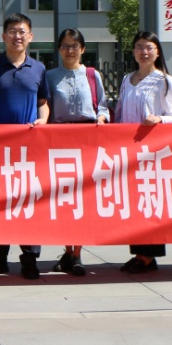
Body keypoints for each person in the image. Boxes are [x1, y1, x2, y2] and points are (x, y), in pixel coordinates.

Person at [0, 13, 52, 280]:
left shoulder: (38, 69)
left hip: (29, 149)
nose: (17, 36)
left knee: (29, 204)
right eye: (12, 31)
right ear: (4, 36)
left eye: (22, 32)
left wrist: (43, 121)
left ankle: (29, 258)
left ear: (30, 36)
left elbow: (43, 103)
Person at [43, 28, 109, 277]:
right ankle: (67, 250)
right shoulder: (50, 76)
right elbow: (45, 107)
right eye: (65, 46)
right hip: (59, 141)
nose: (69, 50)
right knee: (63, 199)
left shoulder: (92, 75)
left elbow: (103, 105)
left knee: (82, 199)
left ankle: (77, 253)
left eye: (74, 46)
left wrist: (102, 118)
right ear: (59, 49)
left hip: (86, 141)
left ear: (82, 49)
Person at [112, 30, 172, 274]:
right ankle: (138, 253)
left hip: (153, 152)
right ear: (133, 52)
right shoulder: (126, 79)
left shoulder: (164, 81)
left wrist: (159, 119)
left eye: (149, 47)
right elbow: (120, 112)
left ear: (157, 52)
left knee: (150, 201)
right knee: (134, 202)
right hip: (129, 151)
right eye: (139, 47)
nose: (144, 52)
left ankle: (149, 256)